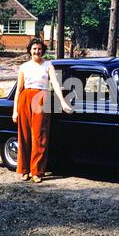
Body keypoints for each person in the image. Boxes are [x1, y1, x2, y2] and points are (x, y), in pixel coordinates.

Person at [12, 38, 72, 183]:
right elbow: (19, 90)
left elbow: (56, 85)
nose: (37, 51)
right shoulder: (24, 67)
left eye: (39, 49)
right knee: (24, 136)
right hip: (25, 99)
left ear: (43, 50)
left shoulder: (48, 65)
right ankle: (24, 170)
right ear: (30, 50)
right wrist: (15, 111)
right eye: (34, 49)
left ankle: (37, 171)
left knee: (40, 136)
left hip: (42, 99)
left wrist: (63, 102)